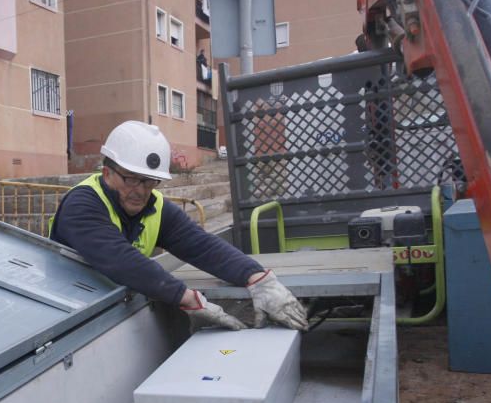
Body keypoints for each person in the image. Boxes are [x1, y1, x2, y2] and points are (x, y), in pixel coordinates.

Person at [50, 120, 308, 331]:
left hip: (108, 305)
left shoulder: (155, 205)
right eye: (133, 180)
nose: (141, 191)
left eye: (151, 182)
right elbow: (120, 259)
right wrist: (189, 299)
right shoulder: (82, 204)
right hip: (64, 312)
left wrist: (259, 279)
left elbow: (201, 245)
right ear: (108, 174)